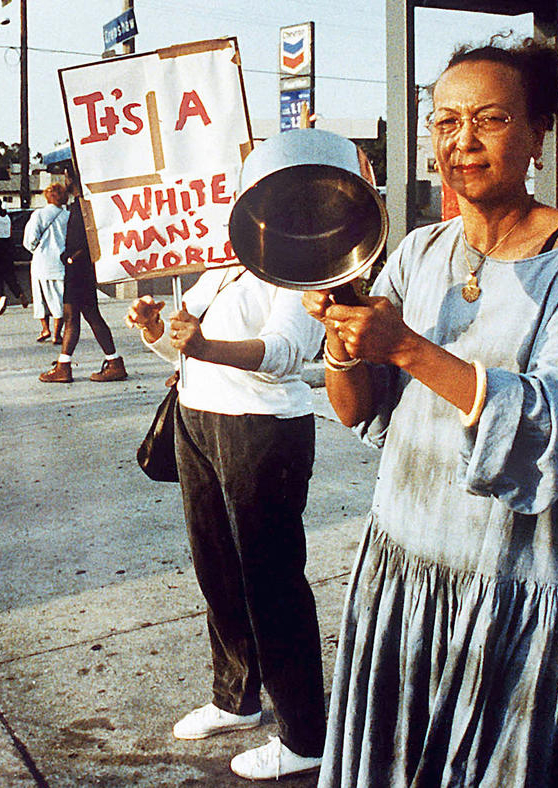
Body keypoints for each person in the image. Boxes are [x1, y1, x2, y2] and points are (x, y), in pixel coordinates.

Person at [303, 37, 558, 787]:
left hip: (524, 586)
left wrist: (405, 348)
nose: (463, 142)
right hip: (409, 565)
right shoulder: (418, 252)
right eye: (445, 122)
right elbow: (359, 411)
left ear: (537, 133)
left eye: (489, 120)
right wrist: (343, 340)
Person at [125, 266, 327, 781]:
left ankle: (305, 735)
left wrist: (205, 346)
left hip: (261, 429)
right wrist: (156, 332)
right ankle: (236, 698)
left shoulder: (294, 268)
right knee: (216, 570)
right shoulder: (218, 269)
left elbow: (284, 354)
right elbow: (186, 353)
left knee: (271, 582)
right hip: (196, 419)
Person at [39, 174, 127, 383]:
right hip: (81, 268)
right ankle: (106, 362)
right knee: (85, 315)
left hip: (78, 268)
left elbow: (89, 239)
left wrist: (70, 258)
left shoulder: (82, 207)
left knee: (76, 316)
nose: (65, 181)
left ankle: (67, 366)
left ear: (74, 179)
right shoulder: (82, 205)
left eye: (67, 177)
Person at [23, 182, 68, 344]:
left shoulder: (38, 214)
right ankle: (57, 333)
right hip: (60, 263)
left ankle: (45, 329)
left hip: (41, 262)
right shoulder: (67, 216)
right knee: (58, 298)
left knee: (40, 297)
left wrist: (36, 249)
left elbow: (30, 240)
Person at [0, 196, 28, 313]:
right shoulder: (7, 218)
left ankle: (1, 299)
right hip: (6, 246)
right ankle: (20, 294)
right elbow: (9, 233)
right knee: (10, 274)